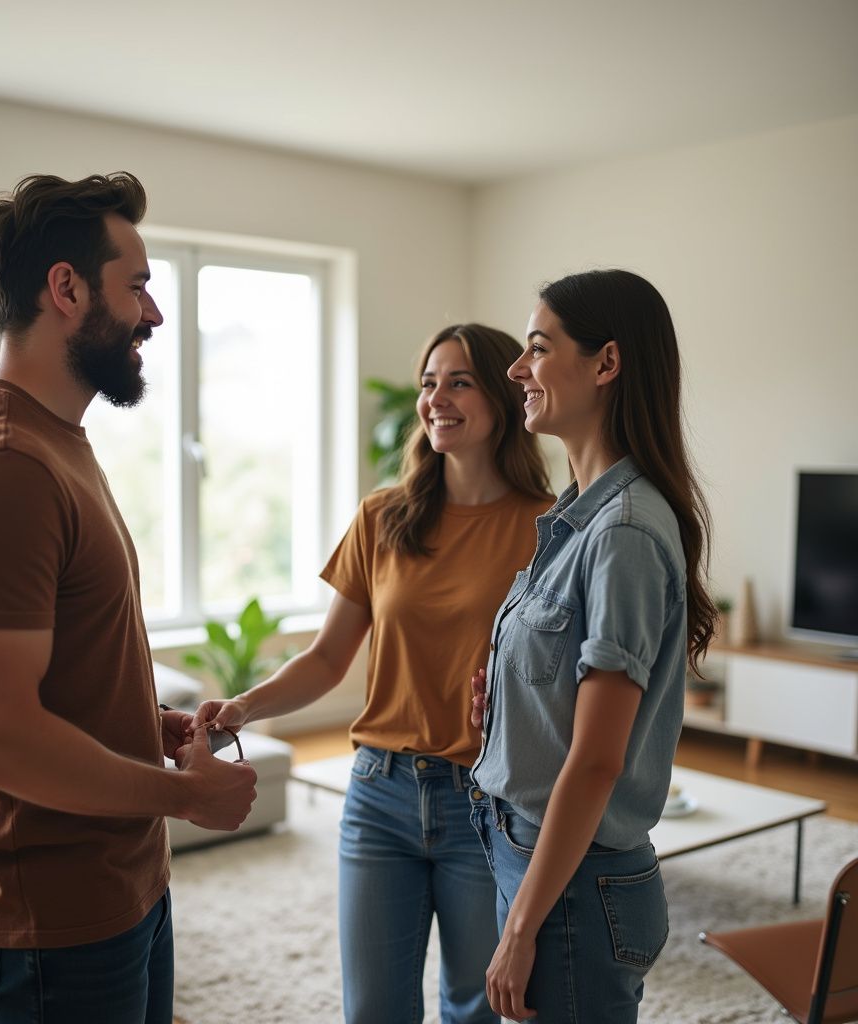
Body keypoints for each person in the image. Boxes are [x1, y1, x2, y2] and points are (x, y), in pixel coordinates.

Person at [0, 172, 257, 1022]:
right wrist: (186, 797)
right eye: (136, 285)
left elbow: (57, 672)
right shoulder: (1, 467)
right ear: (66, 288)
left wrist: (144, 728)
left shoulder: (53, 443)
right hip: (48, 920)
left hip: (116, 885)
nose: (155, 314)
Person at [192, 324, 553, 1023]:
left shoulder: (545, 528)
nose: (435, 398)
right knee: (373, 1013)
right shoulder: (383, 517)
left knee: (473, 1008)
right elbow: (329, 658)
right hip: (378, 797)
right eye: (428, 382)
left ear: (505, 398)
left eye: (459, 381)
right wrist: (243, 706)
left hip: (486, 801)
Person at [469, 269, 718, 1023]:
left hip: (576, 889)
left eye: (538, 348)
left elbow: (600, 757)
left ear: (606, 364)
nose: (516, 369)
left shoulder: (625, 533)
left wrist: (521, 927)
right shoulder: (577, 516)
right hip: (538, 859)